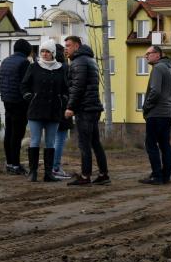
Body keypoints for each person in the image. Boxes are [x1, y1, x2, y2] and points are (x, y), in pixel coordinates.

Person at [63, 36, 109, 186]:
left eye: (68, 46)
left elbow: (77, 87)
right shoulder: (89, 60)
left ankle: (85, 176)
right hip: (93, 107)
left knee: (84, 144)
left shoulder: (79, 62)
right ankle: (103, 174)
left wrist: (70, 107)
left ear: (76, 46)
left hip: (85, 109)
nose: (66, 49)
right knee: (95, 142)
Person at [20, 39, 68, 182]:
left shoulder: (61, 68)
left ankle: (48, 173)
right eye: (42, 51)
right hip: (36, 110)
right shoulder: (34, 67)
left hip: (54, 111)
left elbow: (66, 88)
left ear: (53, 53)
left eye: (47, 51)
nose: (45, 54)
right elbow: (24, 85)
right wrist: (29, 96)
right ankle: (33, 173)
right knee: (35, 140)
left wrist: (63, 99)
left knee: (50, 142)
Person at [140, 45, 171, 185]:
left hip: (156, 113)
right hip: (167, 113)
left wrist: (146, 107)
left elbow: (155, 91)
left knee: (151, 144)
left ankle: (156, 176)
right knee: (165, 145)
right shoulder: (168, 69)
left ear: (158, 55)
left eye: (148, 53)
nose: (146, 56)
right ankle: (165, 175)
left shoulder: (158, 68)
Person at [0, 38, 33, 175]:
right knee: (17, 135)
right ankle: (15, 165)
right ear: (26, 50)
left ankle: (9, 163)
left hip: (7, 101)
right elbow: (25, 83)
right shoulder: (24, 62)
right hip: (19, 102)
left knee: (9, 132)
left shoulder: (5, 61)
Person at [51, 44, 73, 179]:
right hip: (63, 107)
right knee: (59, 139)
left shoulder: (48, 68)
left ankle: (51, 167)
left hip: (49, 108)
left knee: (51, 139)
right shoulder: (66, 68)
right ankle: (55, 167)